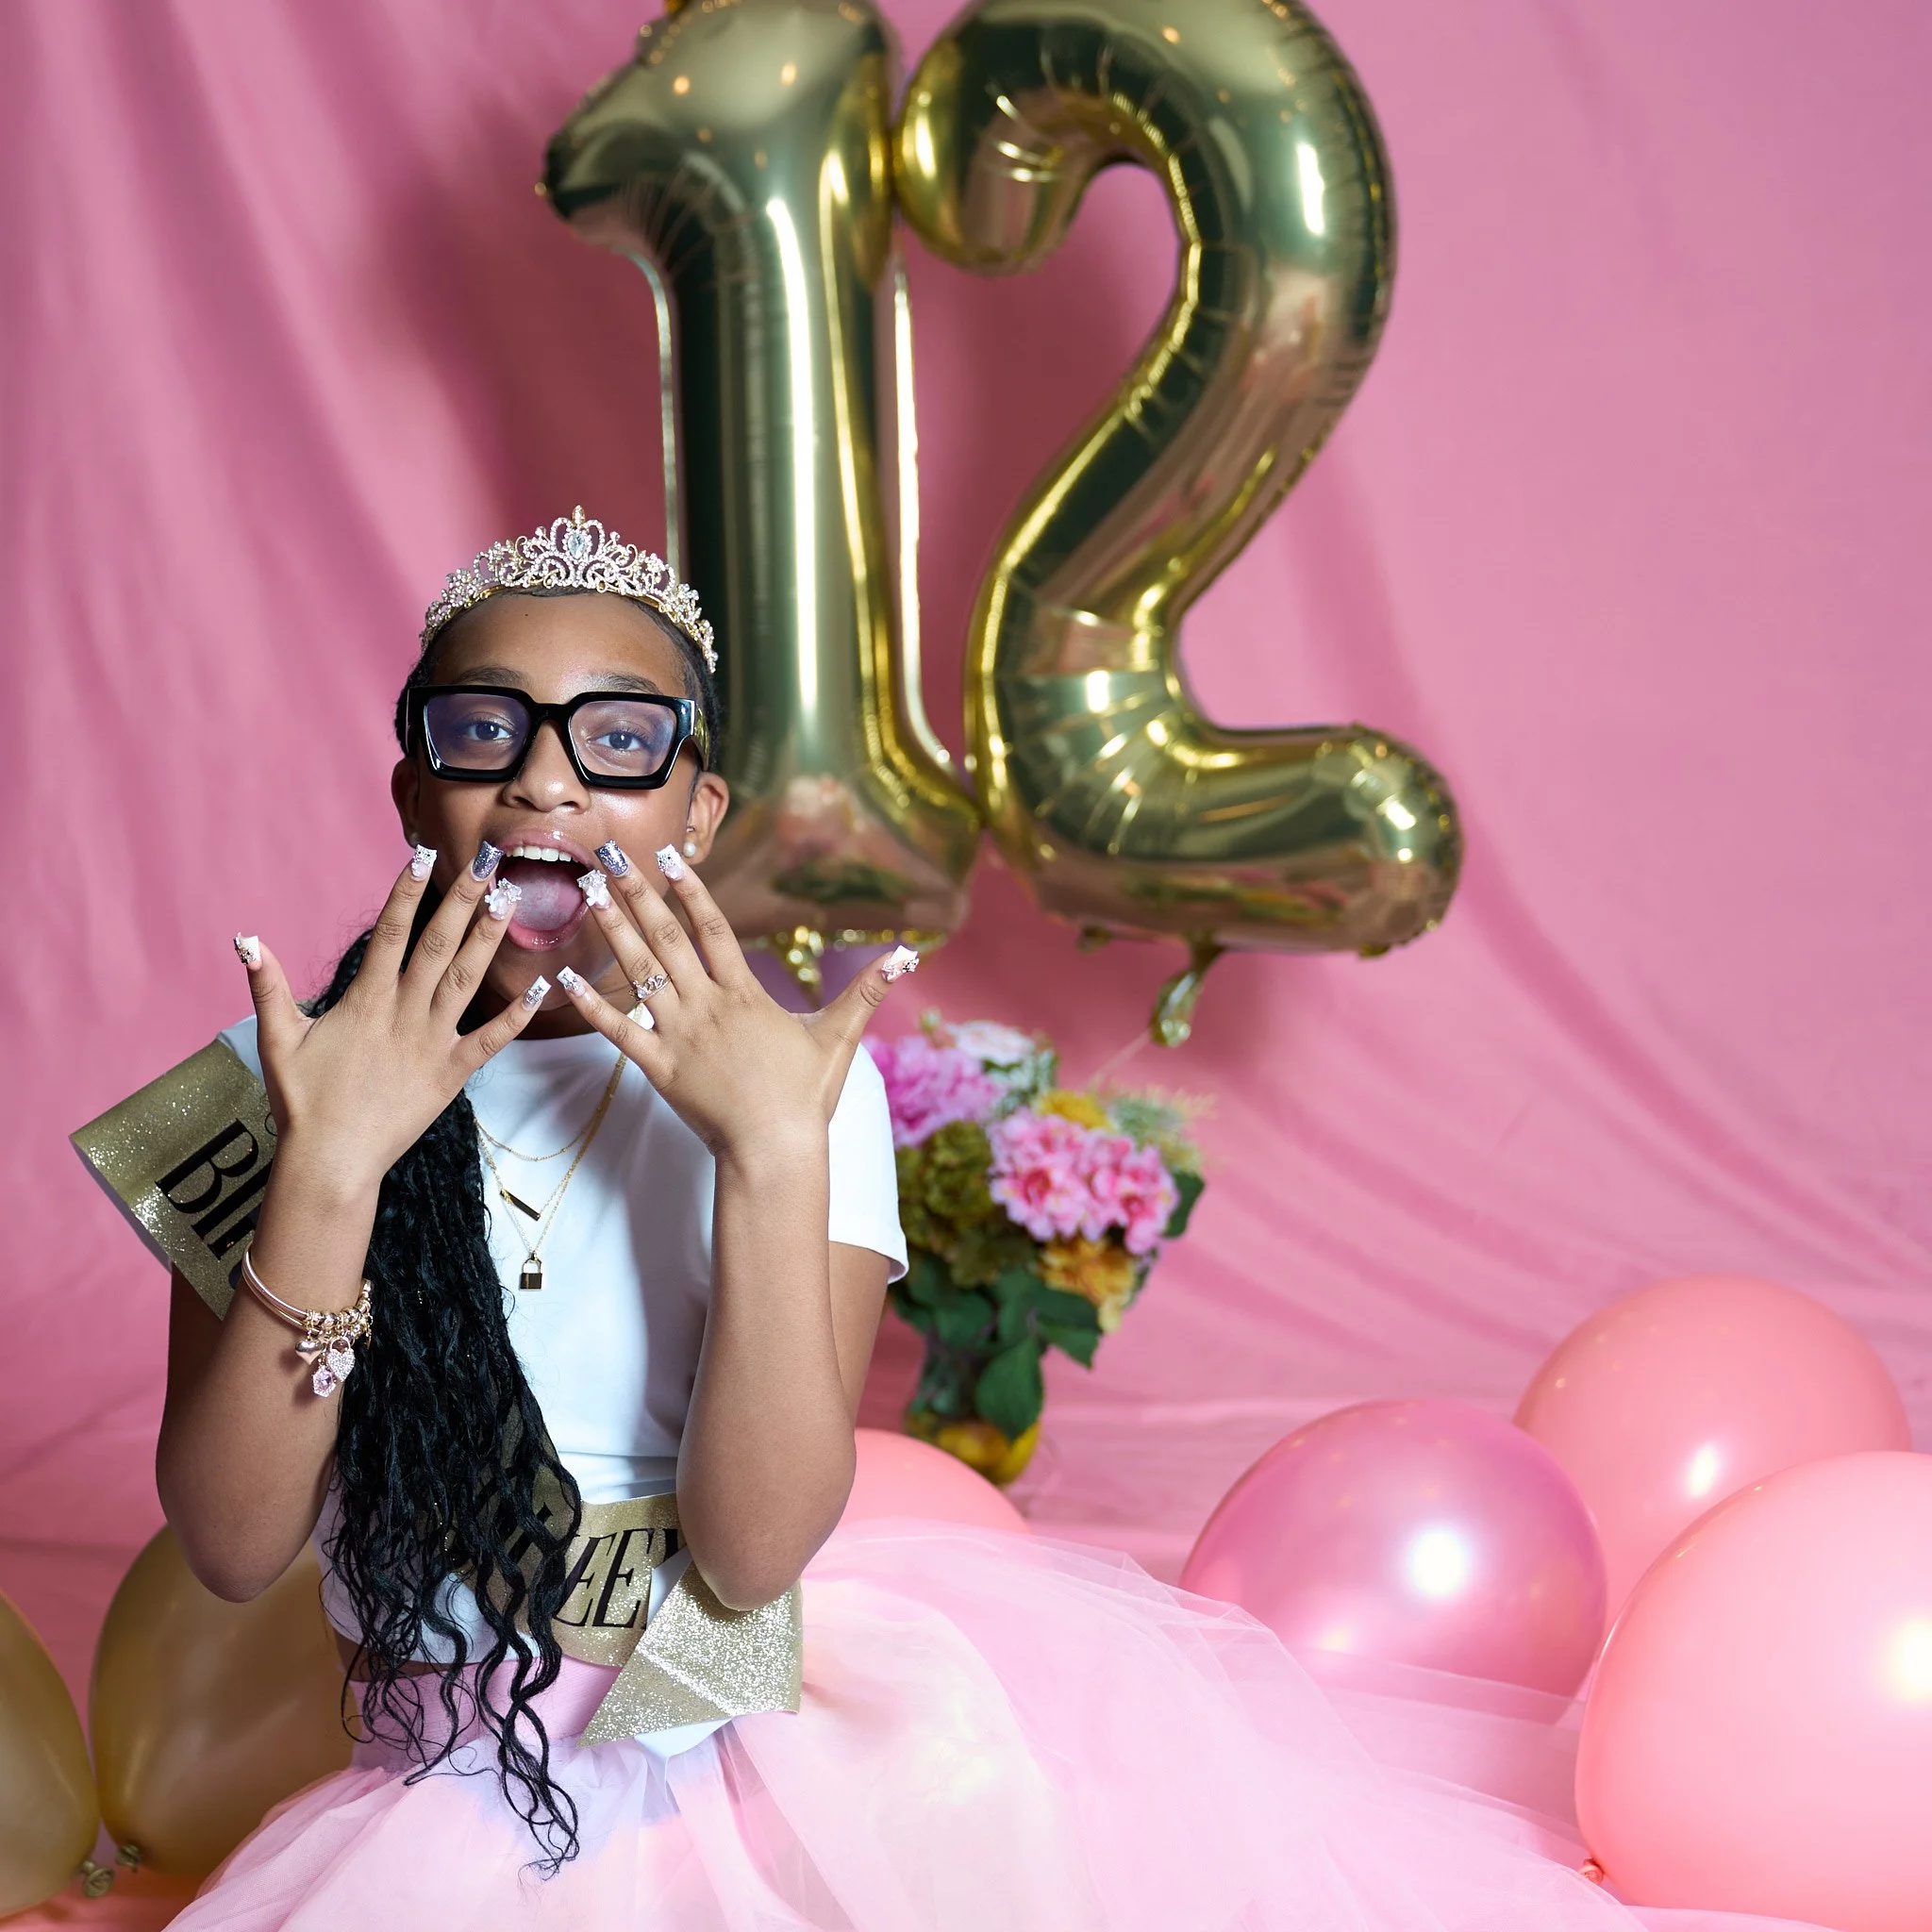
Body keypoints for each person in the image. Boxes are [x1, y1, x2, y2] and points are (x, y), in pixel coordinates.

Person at [141, 512, 1744, 1930]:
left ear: (698, 808)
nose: (547, 774)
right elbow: (230, 1549)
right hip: (444, 1782)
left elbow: (760, 1546)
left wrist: (771, 1153)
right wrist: (332, 1167)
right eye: (486, 728)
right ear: (416, 781)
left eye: (616, 739)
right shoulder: (270, 1081)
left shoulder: (795, 1078)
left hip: (726, 1739)